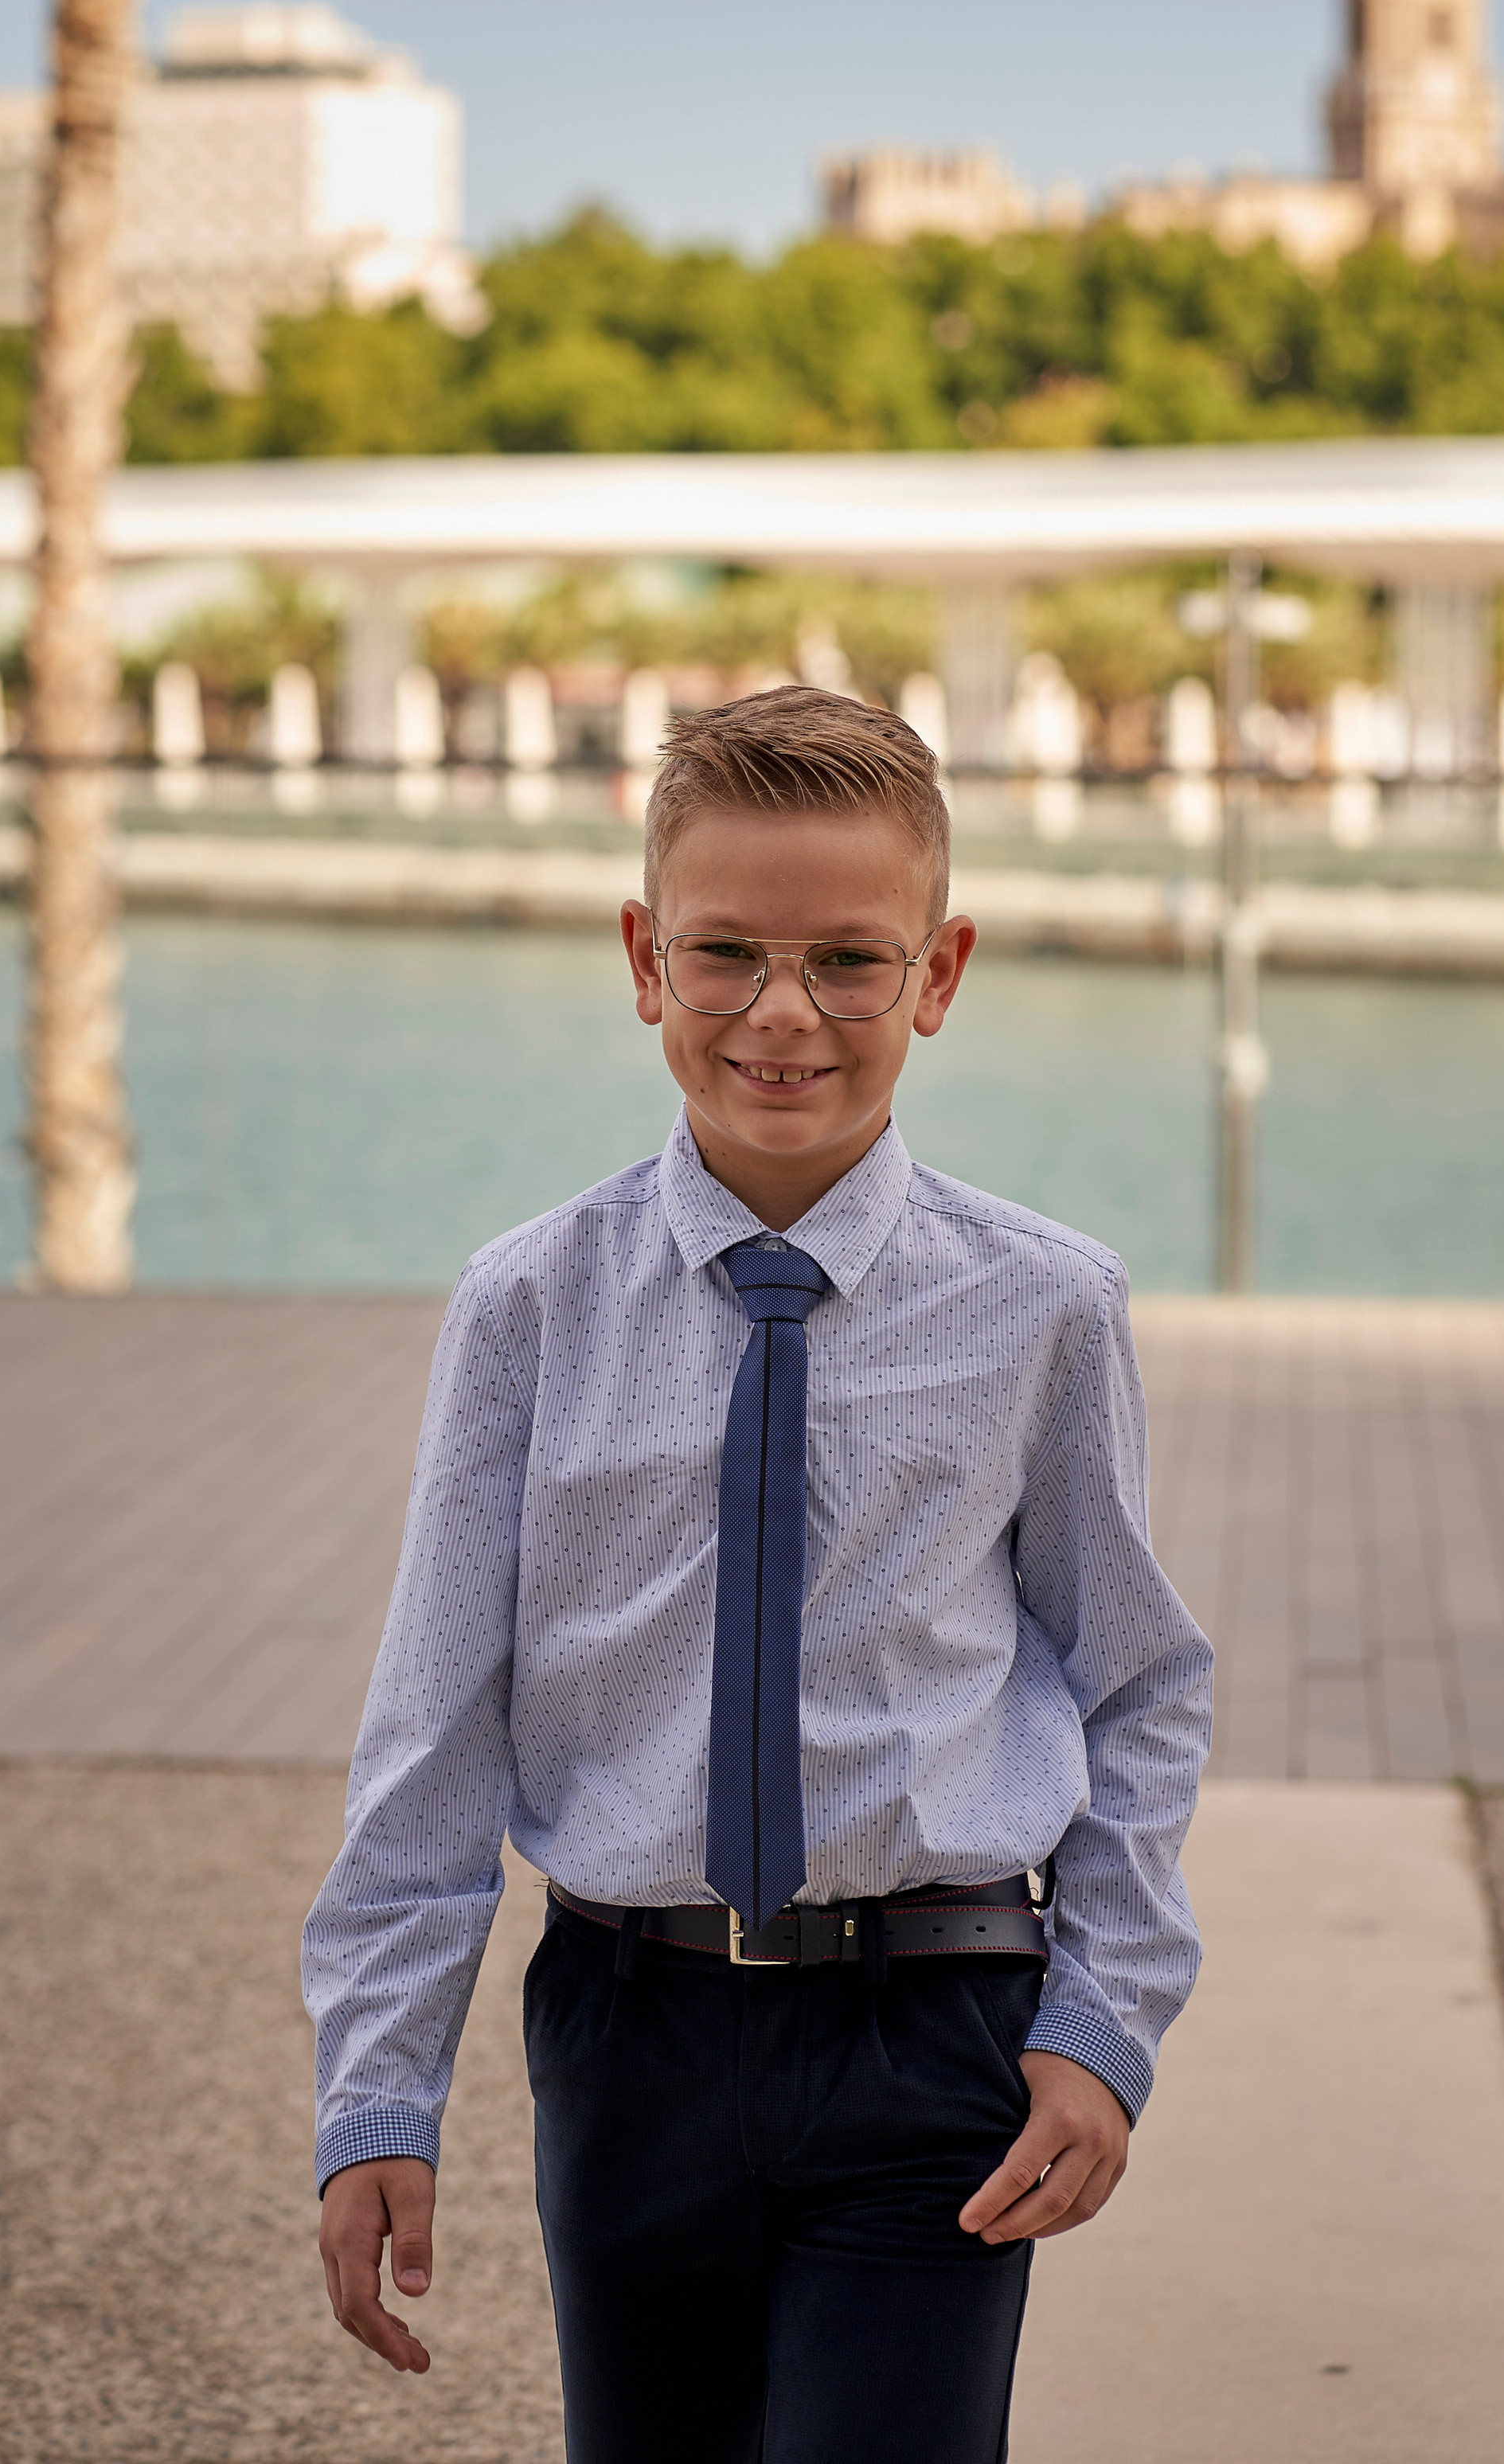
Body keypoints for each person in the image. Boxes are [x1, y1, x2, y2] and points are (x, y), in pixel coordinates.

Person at [304, 684, 1213, 2464]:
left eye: (847, 964)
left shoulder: (1043, 1307)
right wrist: (376, 2092)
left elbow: (1136, 1682)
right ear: (644, 959)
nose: (781, 1014)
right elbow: (434, 1728)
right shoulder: (526, 1308)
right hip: (627, 2031)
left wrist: (1101, 2021)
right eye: (723, 954)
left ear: (935, 976)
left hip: (932, 2022)